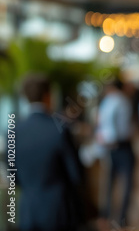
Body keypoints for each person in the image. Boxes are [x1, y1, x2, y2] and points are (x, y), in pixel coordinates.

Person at [16, 73, 84, 231]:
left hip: (27, 210)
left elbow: (13, 176)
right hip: (58, 212)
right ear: (48, 95)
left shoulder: (14, 131)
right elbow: (76, 174)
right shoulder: (59, 128)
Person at [96, 78, 135, 227]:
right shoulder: (121, 100)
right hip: (121, 144)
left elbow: (101, 122)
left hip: (111, 146)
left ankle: (105, 216)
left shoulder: (108, 101)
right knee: (126, 184)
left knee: (109, 183)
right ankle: (122, 219)